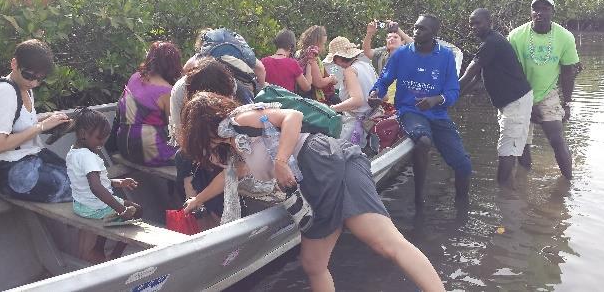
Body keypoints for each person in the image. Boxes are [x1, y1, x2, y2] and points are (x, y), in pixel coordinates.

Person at [179, 92, 444, 292]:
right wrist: (196, 201)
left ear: (200, 128)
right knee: (320, 262)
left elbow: (293, 116)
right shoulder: (238, 144)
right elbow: (229, 178)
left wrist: (281, 161)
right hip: (330, 163)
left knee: (379, 246)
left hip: (319, 159)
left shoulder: (239, 120)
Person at [369, 14, 472, 206]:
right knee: (423, 141)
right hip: (410, 111)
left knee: (464, 164)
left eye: (422, 29)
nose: (416, 32)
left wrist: (436, 100)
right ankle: (419, 198)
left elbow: (452, 91)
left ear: (433, 33)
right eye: (415, 27)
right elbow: (384, 80)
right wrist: (375, 93)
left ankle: (462, 204)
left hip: (438, 113)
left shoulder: (445, 56)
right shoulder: (402, 54)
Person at [0, 39, 72, 202]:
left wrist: (48, 118)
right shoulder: (4, 92)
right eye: (29, 75)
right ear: (14, 64)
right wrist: (41, 126)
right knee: (82, 187)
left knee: (85, 179)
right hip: (13, 171)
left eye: (39, 78)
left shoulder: (24, 88)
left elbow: (16, 123)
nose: (33, 82)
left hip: (33, 159)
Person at [458, 8, 533, 187]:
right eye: (471, 24)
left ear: (489, 23)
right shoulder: (490, 42)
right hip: (515, 100)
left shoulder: (491, 43)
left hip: (515, 102)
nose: (473, 27)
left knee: (506, 150)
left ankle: (504, 196)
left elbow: (469, 75)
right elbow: (477, 79)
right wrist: (454, 98)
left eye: (478, 23)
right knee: (519, 144)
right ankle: (525, 182)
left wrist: (442, 97)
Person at [508, 0, 579, 179]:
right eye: (535, 9)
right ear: (531, 12)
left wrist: (568, 103)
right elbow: (511, 72)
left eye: (545, 8)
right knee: (523, 144)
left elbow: (567, 72)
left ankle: (569, 184)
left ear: (553, 12)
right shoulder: (516, 36)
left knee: (557, 140)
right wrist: (527, 103)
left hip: (548, 94)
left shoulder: (565, 37)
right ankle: (525, 183)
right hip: (520, 93)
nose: (540, 13)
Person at [66, 108, 142, 262]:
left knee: (117, 211)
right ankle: (112, 254)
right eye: (99, 138)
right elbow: (96, 187)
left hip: (81, 205)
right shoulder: (88, 157)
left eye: (104, 138)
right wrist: (121, 210)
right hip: (94, 208)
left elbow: (88, 181)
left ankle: (99, 248)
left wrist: (117, 182)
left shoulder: (73, 152)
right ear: (82, 134)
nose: (102, 142)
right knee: (136, 211)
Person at [170, 57, 239, 225]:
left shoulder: (229, 84)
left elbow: (232, 125)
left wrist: (218, 147)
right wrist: (206, 152)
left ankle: (210, 213)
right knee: (183, 157)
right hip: (193, 138)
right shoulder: (181, 91)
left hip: (222, 139)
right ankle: (192, 200)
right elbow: (181, 135)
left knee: (216, 171)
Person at [116, 41, 181, 166]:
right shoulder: (166, 91)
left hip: (124, 146)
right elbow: (175, 129)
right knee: (193, 155)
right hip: (148, 151)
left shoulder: (135, 77)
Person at [324, 36, 378, 147]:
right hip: (374, 116)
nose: (335, 63)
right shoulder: (367, 65)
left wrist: (332, 108)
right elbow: (384, 95)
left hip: (358, 123)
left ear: (340, 57)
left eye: (334, 59)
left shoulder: (350, 71)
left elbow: (357, 100)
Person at [362, 20, 412, 103]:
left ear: (403, 42)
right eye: (389, 37)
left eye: (395, 37)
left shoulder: (409, 53)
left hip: (404, 99)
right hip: (381, 98)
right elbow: (367, 52)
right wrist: (369, 33)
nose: (391, 39)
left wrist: (398, 30)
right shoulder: (382, 53)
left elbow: (416, 46)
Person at [295, 25, 339, 104]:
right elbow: (318, 82)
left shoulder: (298, 53)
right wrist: (331, 79)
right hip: (313, 98)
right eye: (323, 44)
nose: (323, 47)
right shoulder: (311, 56)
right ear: (317, 43)